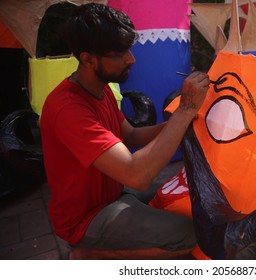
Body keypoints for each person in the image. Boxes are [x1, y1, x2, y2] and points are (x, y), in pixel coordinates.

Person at [40, 3, 210, 260]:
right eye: (120, 53)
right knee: (191, 234)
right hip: (86, 218)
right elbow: (136, 175)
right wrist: (185, 109)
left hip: (115, 192)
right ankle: (89, 255)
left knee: (184, 195)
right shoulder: (67, 109)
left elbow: (130, 136)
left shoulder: (101, 88)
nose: (131, 58)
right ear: (88, 59)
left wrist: (183, 122)